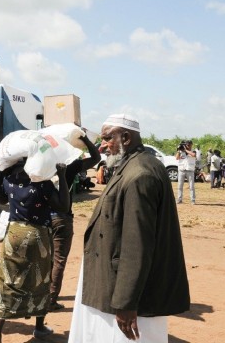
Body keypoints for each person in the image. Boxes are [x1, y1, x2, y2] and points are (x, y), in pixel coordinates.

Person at [68, 114, 190, 343]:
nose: (102, 146)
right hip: (109, 281)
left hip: (126, 293)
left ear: (125, 137)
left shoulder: (139, 175)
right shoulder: (133, 165)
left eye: (107, 139)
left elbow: (137, 245)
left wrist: (126, 302)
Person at [0, 160, 70, 343]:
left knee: (8, 280)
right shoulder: (43, 183)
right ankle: (39, 327)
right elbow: (63, 206)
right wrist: (63, 178)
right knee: (40, 279)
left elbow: (1, 200)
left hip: (13, 234)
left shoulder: (7, 179)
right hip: (37, 235)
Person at [48, 133, 101, 311]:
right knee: (59, 260)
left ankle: (41, 295)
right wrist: (85, 139)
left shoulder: (39, 165)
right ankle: (51, 299)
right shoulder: (70, 165)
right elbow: (96, 157)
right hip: (62, 218)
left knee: (45, 259)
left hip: (42, 218)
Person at [175, 139, 196, 205]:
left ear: (191, 145)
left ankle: (192, 200)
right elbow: (177, 158)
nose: (188, 146)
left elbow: (193, 155)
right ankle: (179, 199)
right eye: (187, 145)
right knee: (180, 186)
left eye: (189, 145)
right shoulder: (181, 152)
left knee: (191, 186)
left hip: (190, 170)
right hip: (182, 170)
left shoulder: (193, 151)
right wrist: (179, 150)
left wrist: (186, 150)